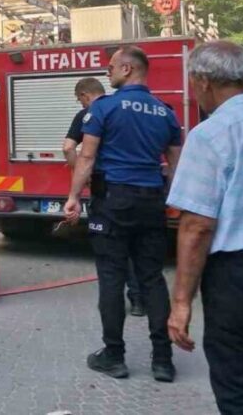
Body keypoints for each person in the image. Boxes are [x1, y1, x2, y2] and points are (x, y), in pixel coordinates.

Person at [63, 46, 183, 382]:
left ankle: (114, 356)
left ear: (128, 69)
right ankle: (163, 360)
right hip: (151, 203)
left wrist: (73, 197)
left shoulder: (104, 107)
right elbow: (175, 164)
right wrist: (170, 199)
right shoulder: (165, 112)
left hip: (112, 202)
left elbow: (86, 157)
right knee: (152, 278)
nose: (108, 72)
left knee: (112, 277)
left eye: (112, 66)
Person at [166, 42, 243, 414]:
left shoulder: (211, 134)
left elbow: (197, 226)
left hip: (242, 280)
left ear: (203, 81)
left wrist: (181, 302)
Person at [62, 77, 145, 318]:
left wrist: (79, 174)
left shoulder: (90, 113)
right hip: (141, 188)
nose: (81, 104)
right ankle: (141, 299)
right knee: (138, 245)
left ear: (85, 95)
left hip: (106, 189)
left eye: (80, 100)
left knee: (112, 247)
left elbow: (68, 147)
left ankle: (118, 304)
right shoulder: (126, 110)